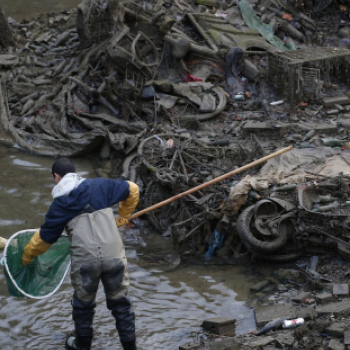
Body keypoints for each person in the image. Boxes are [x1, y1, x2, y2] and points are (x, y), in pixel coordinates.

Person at [21, 157, 139, 350]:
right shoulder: (101, 186)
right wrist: (123, 216)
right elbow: (133, 188)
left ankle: (82, 346)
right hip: (114, 257)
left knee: (83, 307)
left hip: (85, 264)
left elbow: (43, 240)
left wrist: (26, 256)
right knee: (121, 305)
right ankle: (130, 348)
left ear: (56, 177)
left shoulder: (59, 206)